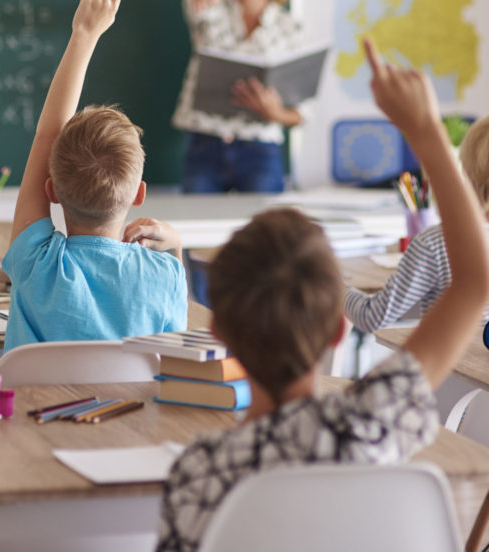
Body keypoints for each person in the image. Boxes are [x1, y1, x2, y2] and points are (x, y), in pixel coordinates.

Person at [157, 38, 489, 552]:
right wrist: (424, 130)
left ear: (218, 332)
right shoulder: (372, 422)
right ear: (337, 327)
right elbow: (474, 281)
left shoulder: (198, 473)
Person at [2, 0, 187, 353]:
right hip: (132, 398)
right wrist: (176, 247)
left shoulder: (37, 265)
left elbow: (46, 135)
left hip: (34, 397)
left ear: (51, 190)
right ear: (138, 193)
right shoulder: (165, 275)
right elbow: (172, 359)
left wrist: (83, 35)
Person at [172, 0, 312, 194]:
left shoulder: (291, 28)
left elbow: (303, 112)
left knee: (264, 223)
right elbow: (192, 4)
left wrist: (275, 113)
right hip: (204, 144)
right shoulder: (207, 5)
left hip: (261, 150)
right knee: (196, 221)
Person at [345, 114, 489, 332]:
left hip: (446, 354)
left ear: (464, 173)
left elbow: (372, 317)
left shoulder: (436, 243)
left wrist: (332, 284)